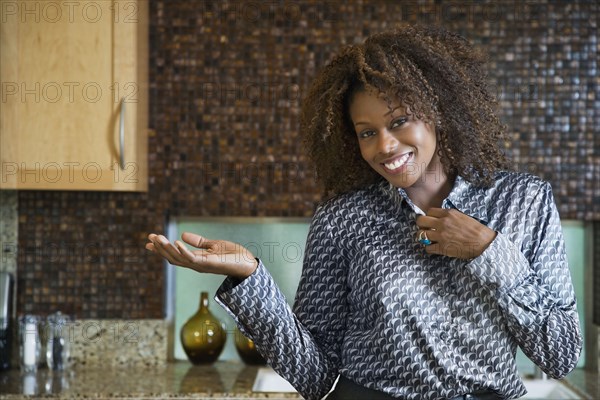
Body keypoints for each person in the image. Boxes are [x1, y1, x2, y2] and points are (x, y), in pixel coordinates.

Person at [146, 25, 582, 400]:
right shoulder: (343, 219)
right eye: (367, 132)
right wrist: (250, 278)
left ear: (438, 112)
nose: (385, 147)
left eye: (399, 122)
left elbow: (560, 354)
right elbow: (316, 375)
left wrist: (488, 251)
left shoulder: (524, 202)